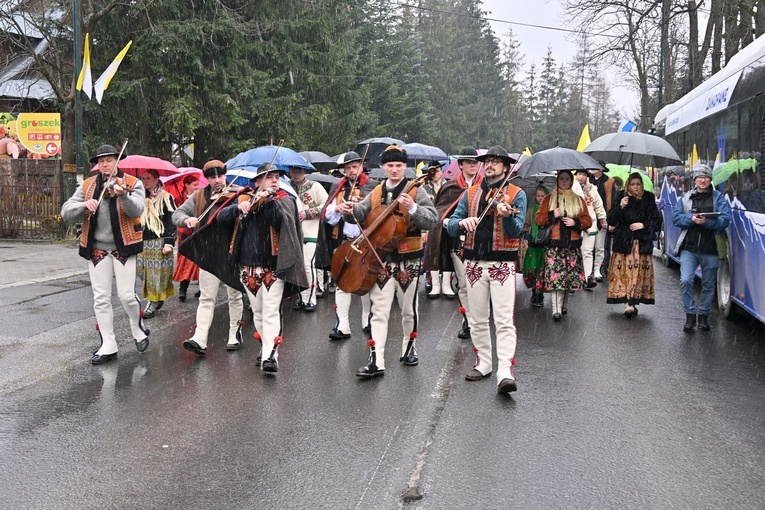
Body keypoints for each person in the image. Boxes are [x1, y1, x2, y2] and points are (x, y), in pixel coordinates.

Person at [338, 145, 438, 378]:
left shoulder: (416, 190)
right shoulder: (376, 191)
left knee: (408, 310)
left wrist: (413, 208)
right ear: (384, 167)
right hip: (381, 260)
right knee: (379, 311)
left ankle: (409, 347)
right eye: (390, 165)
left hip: (409, 259)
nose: (394, 169)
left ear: (406, 167)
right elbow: (360, 213)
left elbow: (432, 220)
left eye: (399, 166)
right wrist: (348, 209)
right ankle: (377, 360)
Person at [447, 145, 526, 394]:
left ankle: (505, 372)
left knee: (503, 321)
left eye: (495, 161)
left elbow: (517, 230)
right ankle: (484, 363)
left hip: (501, 263)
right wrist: (461, 222)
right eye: (487, 161)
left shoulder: (516, 194)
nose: (490, 165)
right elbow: (451, 226)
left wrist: (505, 214)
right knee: (477, 318)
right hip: (473, 263)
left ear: (505, 166)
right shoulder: (470, 194)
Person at [61, 144, 149, 365]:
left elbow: (137, 209)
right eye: (101, 161)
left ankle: (136, 327)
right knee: (101, 298)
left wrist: (123, 196)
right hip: (97, 248)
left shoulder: (132, 183)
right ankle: (108, 344)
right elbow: (66, 211)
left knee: (127, 295)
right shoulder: (88, 185)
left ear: (117, 161)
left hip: (124, 248)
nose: (105, 165)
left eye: (109, 160)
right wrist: (83, 204)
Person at [217, 162, 307, 373]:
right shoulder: (244, 198)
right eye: (270, 177)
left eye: (277, 177)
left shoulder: (284, 201)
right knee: (257, 312)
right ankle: (264, 348)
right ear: (257, 181)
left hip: (273, 267)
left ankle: (270, 356)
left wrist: (267, 202)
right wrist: (238, 208)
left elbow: (279, 221)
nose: (275, 180)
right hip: (247, 267)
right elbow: (220, 218)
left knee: (270, 312)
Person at [172, 160, 245, 354]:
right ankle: (200, 338)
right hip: (208, 253)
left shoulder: (239, 192)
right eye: (213, 177)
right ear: (207, 179)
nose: (218, 180)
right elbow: (177, 213)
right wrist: (186, 219)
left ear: (225, 175)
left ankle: (234, 333)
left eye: (220, 176)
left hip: (231, 252)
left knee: (234, 295)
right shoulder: (198, 197)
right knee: (206, 298)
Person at [423, 146, 483, 338]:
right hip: (458, 242)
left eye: (475, 162)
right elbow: (440, 211)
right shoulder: (450, 186)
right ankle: (468, 321)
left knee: (480, 285)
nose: (472, 165)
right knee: (464, 284)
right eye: (468, 162)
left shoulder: (487, 186)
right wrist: (449, 221)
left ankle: (479, 321)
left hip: (482, 242)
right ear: (461, 165)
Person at [316, 151, 376, 340]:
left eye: (355, 166)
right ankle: (342, 324)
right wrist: (337, 207)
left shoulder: (373, 187)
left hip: (366, 241)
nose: (352, 170)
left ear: (361, 167)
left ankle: (367, 319)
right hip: (343, 242)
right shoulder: (338, 187)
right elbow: (327, 216)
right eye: (348, 167)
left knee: (366, 282)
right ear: (344, 170)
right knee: (342, 281)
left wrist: (361, 207)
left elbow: (377, 214)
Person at [671, 164, 731, 331]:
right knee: (685, 281)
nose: (702, 180)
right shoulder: (686, 198)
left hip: (711, 248)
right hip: (689, 249)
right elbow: (676, 218)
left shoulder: (718, 198)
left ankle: (703, 317)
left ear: (710, 179)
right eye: (699, 177)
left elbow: (725, 220)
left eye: (705, 177)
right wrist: (691, 219)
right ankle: (690, 315)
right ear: (695, 180)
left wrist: (707, 222)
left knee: (708, 284)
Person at [535, 170, 592, 321]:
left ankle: (563, 305)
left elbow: (588, 221)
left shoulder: (578, 200)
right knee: (556, 278)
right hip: (554, 246)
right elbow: (538, 220)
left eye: (567, 179)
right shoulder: (549, 199)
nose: (564, 181)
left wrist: (576, 223)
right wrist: (552, 215)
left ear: (571, 182)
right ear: (557, 181)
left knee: (568, 279)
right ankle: (556, 309)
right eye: (561, 179)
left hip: (572, 246)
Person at [606, 172, 661, 318]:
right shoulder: (621, 196)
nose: (635, 187)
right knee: (625, 274)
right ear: (628, 185)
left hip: (641, 242)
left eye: (638, 184)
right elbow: (611, 220)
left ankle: (632, 301)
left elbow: (656, 221)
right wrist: (620, 206)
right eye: (632, 184)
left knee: (637, 275)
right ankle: (628, 303)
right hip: (624, 242)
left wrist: (642, 225)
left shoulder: (648, 198)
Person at [136, 169, 177, 318]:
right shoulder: (139, 196)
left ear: (156, 179)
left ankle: (152, 303)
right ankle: (157, 298)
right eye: (143, 178)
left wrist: (169, 242)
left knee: (155, 275)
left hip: (158, 241)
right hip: (141, 240)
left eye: (148, 178)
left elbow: (172, 221)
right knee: (141, 272)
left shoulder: (166, 197)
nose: (145, 181)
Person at [288, 165, 328, 312]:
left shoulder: (314, 186)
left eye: (299, 171)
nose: (296, 174)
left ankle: (311, 299)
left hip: (311, 233)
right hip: (292, 233)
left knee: (307, 265)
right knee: (297, 267)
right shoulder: (287, 187)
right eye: (293, 171)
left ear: (304, 171)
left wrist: (308, 213)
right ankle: (301, 298)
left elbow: (326, 205)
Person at [420, 160, 454, 300]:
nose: (435, 174)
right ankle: (435, 284)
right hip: (430, 225)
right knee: (431, 253)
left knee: (446, 253)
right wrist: (423, 230)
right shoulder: (423, 188)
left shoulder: (448, 186)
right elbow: (420, 210)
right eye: (432, 171)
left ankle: (447, 284)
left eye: (438, 170)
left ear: (442, 171)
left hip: (445, 223)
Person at [575, 170, 607, 289]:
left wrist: (603, 219)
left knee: (588, 251)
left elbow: (598, 205)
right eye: (579, 174)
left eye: (584, 175)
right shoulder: (571, 187)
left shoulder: (592, 189)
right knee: (576, 252)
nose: (581, 177)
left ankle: (588, 277)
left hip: (590, 224)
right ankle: (577, 276)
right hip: (574, 225)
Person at [172, 174, 201, 302]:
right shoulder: (179, 198)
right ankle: (182, 289)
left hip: (197, 232)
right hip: (184, 234)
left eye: (197, 184)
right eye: (194, 185)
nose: (196, 187)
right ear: (187, 185)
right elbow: (177, 214)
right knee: (185, 261)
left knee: (199, 262)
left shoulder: (200, 198)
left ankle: (202, 289)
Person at [589, 164, 617, 281]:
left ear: (601, 169)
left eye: (595, 167)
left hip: (603, 218)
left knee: (600, 246)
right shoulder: (587, 180)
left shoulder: (609, 182)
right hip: (589, 219)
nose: (592, 169)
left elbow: (613, 201)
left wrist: (610, 220)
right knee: (588, 248)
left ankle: (597, 271)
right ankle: (587, 271)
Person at [522, 185, 548, 307]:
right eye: (538, 196)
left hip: (543, 244)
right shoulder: (531, 210)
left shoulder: (548, 210)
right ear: (534, 196)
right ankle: (534, 290)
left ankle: (539, 294)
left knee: (541, 270)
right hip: (533, 244)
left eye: (543, 196)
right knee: (531, 268)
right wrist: (526, 233)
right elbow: (526, 223)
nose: (540, 198)